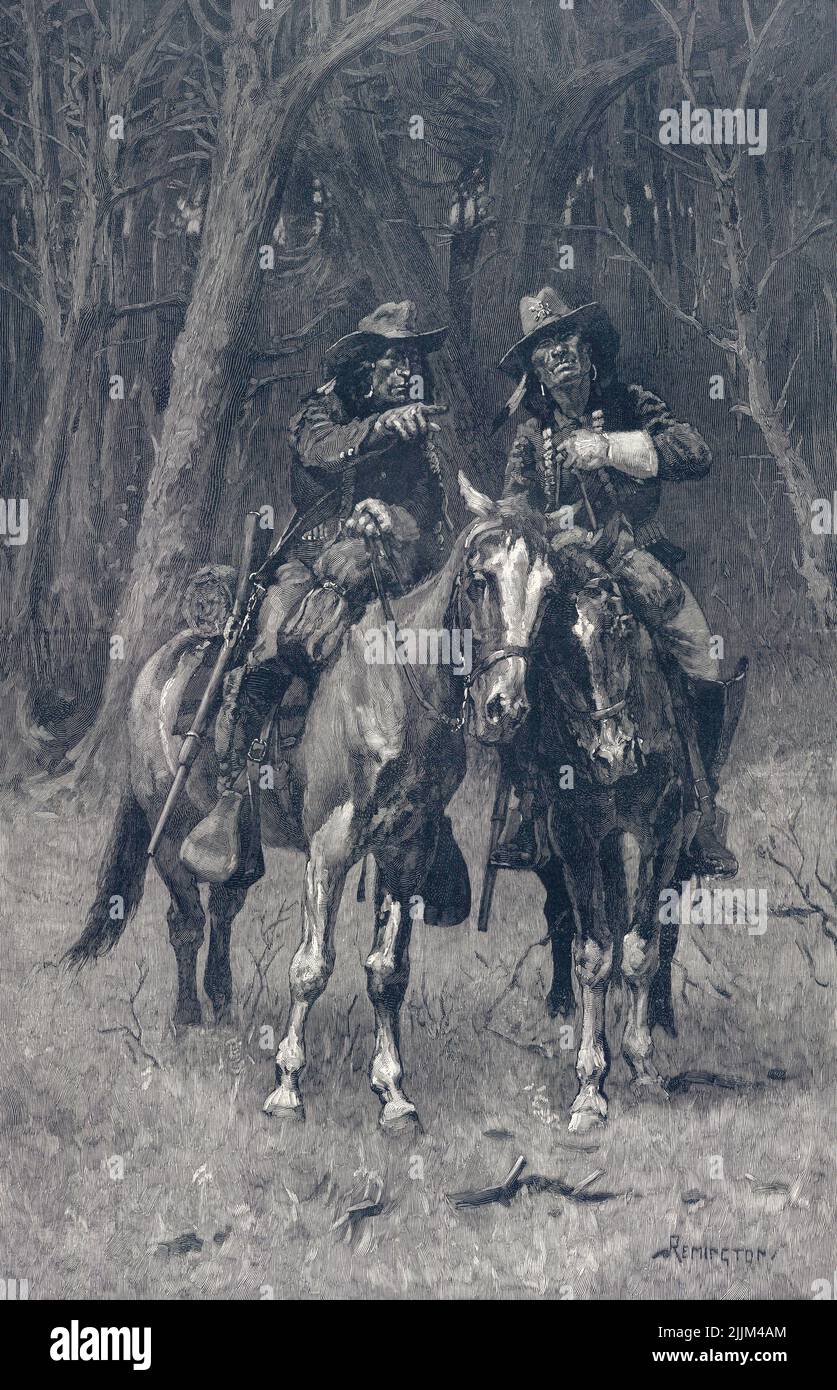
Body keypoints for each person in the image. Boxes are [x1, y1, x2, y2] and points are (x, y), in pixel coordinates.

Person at [181, 301, 452, 887]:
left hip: (385, 564)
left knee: (442, 655)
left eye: (410, 358)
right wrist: (381, 429)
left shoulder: (416, 427)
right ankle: (234, 786)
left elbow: (433, 510)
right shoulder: (322, 408)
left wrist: (394, 518)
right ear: (362, 366)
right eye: (392, 358)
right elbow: (319, 453)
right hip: (311, 559)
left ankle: (429, 809)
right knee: (285, 637)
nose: (405, 369)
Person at [492, 287, 746, 878]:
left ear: (586, 346)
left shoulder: (629, 402)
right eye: (544, 347)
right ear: (534, 366)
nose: (559, 355)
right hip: (562, 576)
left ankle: (702, 808)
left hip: (635, 563)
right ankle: (530, 811)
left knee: (701, 653)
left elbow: (695, 451)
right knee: (514, 664)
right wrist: (546, 526)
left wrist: (611, 448)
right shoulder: (530, 436)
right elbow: (514, 510)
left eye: (566, 340)